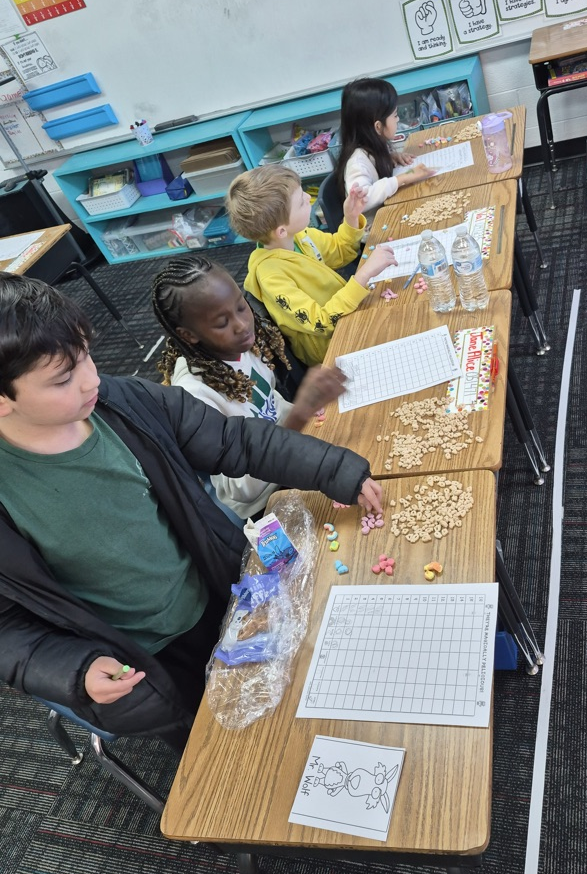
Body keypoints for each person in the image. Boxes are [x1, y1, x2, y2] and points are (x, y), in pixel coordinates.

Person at [0, 272, 382, 749]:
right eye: (63, 378)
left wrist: (336, 470)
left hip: (217, 588)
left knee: (299, 690)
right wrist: (75, 669)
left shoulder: (123, 401)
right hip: (148, 658)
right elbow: (9, 630)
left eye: (86, 356)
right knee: (229, 751)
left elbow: (233, 439)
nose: (91, 379)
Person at [151, 254, 347, 521]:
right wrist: (298, 416)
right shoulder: (195, 396)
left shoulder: (242, 346)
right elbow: (240, 488)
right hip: (266, 502)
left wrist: (308, 408)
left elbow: (269, 401)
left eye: (242, 306)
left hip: (290, 451)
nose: (243, 325)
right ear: (188, 335)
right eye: (222, 323)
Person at [227, 164, 397, 366]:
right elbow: (321, 322)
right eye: (301, 202)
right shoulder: (271, 277)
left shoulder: (300, 236)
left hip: (348, 315)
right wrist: (363, 275)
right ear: (281, 231)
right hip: (332, 349)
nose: (309, 198)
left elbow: (339, 252)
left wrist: (351, 218)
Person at [334, 77, 436, 220]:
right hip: (374, 231)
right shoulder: (356, 163)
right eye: (394, 115)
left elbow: (374, 168)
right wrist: (402, 178)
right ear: (378, 126)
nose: (398, 119)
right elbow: (363, 199)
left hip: (389, 211)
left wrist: (390, 157)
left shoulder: (371, 146)